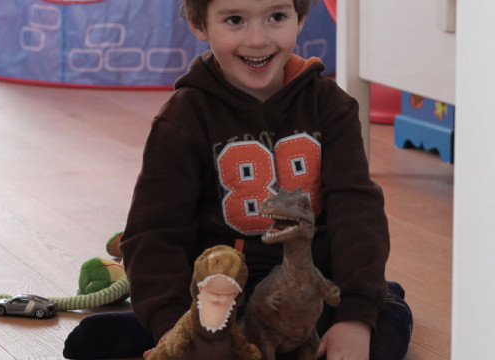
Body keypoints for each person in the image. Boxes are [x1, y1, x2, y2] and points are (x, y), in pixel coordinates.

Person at [63, 0, 412, 358]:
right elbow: (154, 232)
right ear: (200, 25)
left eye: (277, 17)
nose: (258, 39)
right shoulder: (183, 119)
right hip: (222, 298)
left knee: (388, 312)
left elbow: (357, 214)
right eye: (235, 20)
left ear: (301, 18)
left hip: (314, 292)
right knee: (94, 339)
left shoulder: (332, 107)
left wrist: (355, 316)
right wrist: (170, 325)